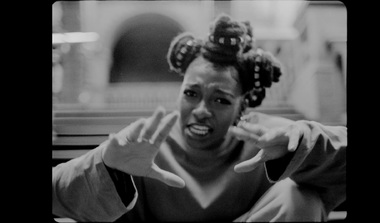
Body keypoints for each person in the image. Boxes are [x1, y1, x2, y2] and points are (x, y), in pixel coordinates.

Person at [52, 14, 346, 222]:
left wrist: (310, 147)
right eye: (191, 93)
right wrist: (106, 167)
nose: (202, 109)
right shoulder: (144, 143)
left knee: (300, 196)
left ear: (242, 106)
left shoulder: (271, 137)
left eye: (221, 99)